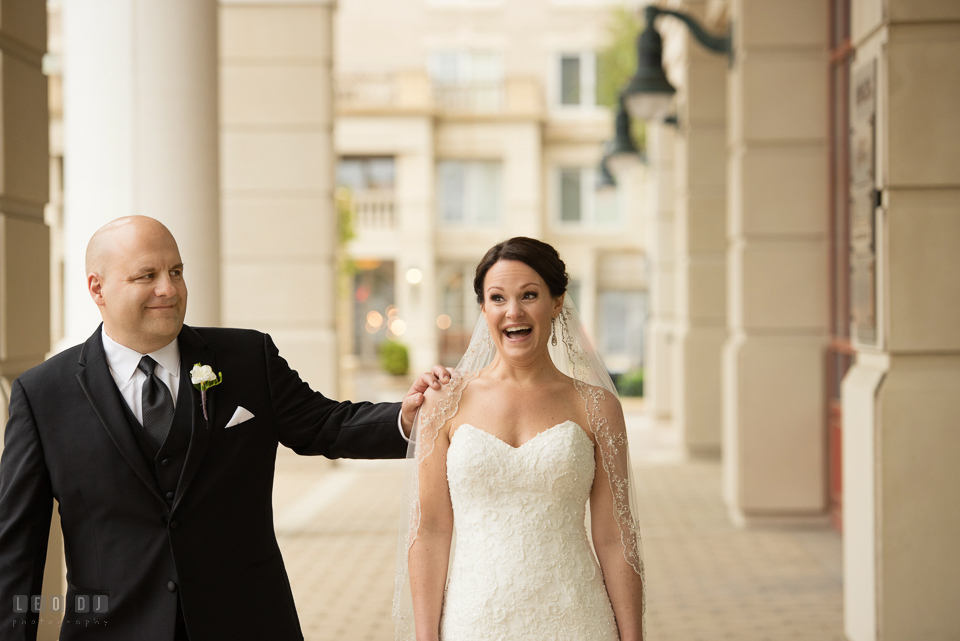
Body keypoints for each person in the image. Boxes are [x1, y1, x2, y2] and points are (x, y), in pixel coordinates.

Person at [0, 216, 449, 641]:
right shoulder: (42, 395)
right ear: (96, 288)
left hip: (246, 622)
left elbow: (325, 424)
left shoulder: (247, 357)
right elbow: (16, 551)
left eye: (176, 271)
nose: (168, 289)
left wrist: (407, 418)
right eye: (146, 276)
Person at [393, 237, 645, 641]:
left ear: (557, 302)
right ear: (483, 309)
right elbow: (431, 529)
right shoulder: (444, 402)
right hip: (474, 620)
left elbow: (616, 536)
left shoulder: (597, 407)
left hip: (576, 618)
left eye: (529, 295)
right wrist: (426, 636)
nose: (514, 311)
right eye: (497, 298)